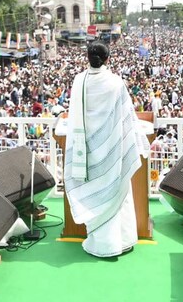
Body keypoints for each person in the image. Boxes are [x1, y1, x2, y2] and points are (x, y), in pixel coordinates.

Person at [63, 41, 149, 258]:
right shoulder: (115, 82)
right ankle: (123, 240)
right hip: (112, 149)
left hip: (87, 150)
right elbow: (126, 116)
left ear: (88, 58)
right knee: (117, 190)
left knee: (95, 193)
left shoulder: (79, 81)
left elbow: (73, 115)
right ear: (107, 59)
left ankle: (101, 243)